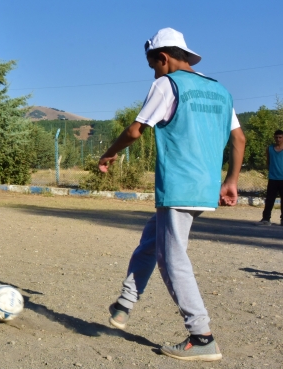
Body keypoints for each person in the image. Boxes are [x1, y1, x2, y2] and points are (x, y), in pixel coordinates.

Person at [100, 28, 245, 361]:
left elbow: (136, 129)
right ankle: (124, 304)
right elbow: (239, 141)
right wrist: (231, 180)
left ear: (162, 58)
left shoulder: (167, 84)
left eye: (153, 65)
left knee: (172, 257)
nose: (153, 73)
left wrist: (109, 154)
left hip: (179, 185)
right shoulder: (219, 90)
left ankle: (202, 335)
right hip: (205, 186)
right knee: (152, 240)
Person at [257, 129, 283, 225]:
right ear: (274, 138)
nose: (278, 139)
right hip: (273, 178)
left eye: (280, 137)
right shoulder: (270, 148)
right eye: (276, 137)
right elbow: (268, 161)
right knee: (269, 199)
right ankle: (266, 218)